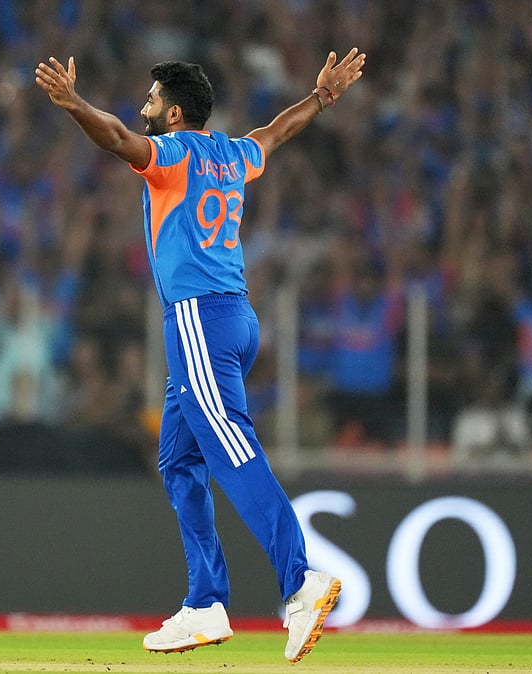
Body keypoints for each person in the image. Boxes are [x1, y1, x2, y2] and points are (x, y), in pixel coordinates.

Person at [36, 47, 365, 662]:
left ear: (176, 111)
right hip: (234, 318)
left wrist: (74, 105)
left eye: (154, 98)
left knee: (232, 449)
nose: (145, 106)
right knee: (178, 460)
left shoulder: (174, 155)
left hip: (197, 318)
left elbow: (115, 139)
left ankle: (301, 581)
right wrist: (320, 99)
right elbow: (277, 132)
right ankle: (205, 603)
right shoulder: (234, 154)